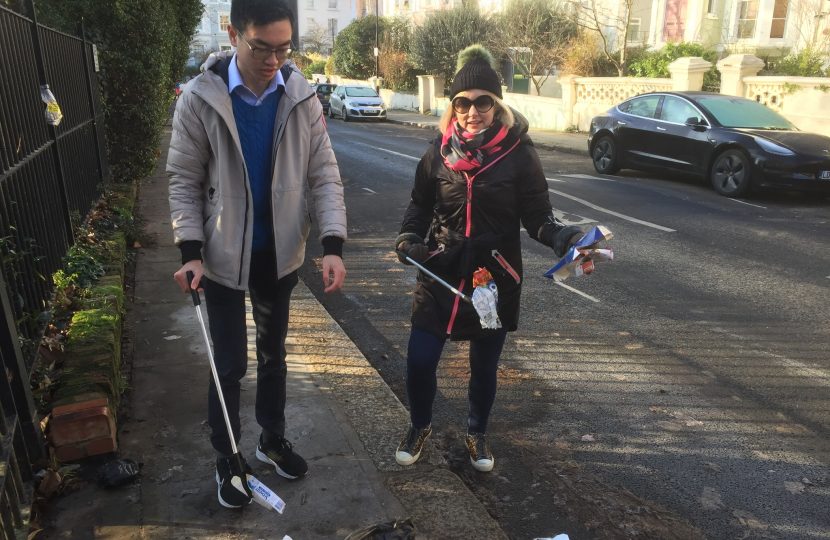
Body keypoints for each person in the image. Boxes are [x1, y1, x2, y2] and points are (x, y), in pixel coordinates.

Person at [167, 0, 346, 508]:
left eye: (284, 48)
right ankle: (228, 456)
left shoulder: (301, 93)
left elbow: (324, 173)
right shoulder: (200, 98)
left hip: (279, 254)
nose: (274, 60)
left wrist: (332, 243)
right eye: (261, 48)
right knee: (228, 363)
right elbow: (184, 179)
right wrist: (190, 250)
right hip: (221, 257)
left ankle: (271, 438)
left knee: (273, 355)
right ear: (233, 34)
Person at [393, 45, 584, 473]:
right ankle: (419, 424)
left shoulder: (519, 154)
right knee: (420, 359)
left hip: (492, 278)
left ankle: (477, 432)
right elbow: (419, 206)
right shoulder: (438, 153)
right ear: (453, 107)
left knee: (484, 365)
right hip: (440, 271)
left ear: (497, 106)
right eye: (463, 102)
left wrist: (562, 236)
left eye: (482, 101)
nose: (472, 111)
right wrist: (409, 238)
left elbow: (538, 216)